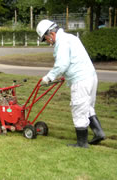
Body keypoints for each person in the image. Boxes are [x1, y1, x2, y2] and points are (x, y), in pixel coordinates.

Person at [36, 19, 105, 148]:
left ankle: (82, 143)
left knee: (78, 108)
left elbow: (62, 64)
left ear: (51, 33)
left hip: (80, 80)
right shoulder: (71, 38)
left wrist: (49, 77)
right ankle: (99, 132)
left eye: (46, 39)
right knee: (88, 107)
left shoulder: (61, 43)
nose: (48, 43)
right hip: (90, 77)